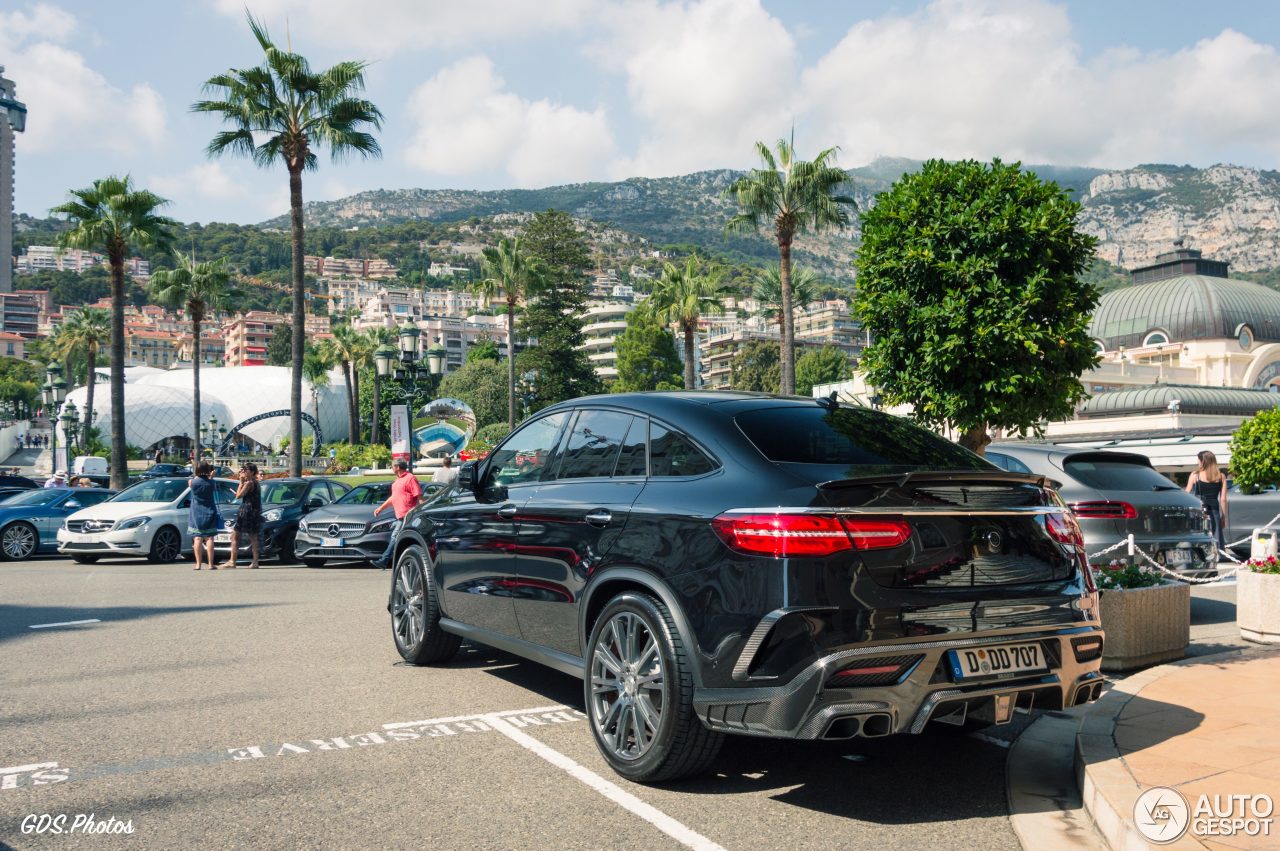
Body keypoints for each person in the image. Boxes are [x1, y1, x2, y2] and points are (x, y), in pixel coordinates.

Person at [371, 459, 422, 570]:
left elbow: (419, 496)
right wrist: (381, 508)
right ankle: (406, 563)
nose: (391, 468)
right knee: (400, 538)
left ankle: (384, 560)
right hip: (399, 516)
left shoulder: (410, 478)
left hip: (407, 516)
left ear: (398, 467)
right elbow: (393, 498)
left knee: (395, 537)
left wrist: (423, 512)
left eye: (392, 466)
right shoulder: (397, 481)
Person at [220, 463, 262, 569]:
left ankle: (232, 561)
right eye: (242, 469)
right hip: (253, 511)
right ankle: (255, 561)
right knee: (253, 536)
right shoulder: (256, 482)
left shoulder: (250, 483)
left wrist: (241, 482)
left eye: (246, 469)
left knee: (236, 536)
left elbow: (238, 495)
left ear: (252, 472)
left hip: (247, 511)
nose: (243, 471)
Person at [1186, 450, 1229, 549]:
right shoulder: (1221, 476)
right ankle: (1217, 552)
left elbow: (1187, 493)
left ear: (1203, 461)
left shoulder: (1195, 475)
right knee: (1215, 531)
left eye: (1198, 460)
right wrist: (1223, 517)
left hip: (1199, 509)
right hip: (1214, 509)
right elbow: (1223, 499)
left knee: (1200, 531)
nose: (1197, 463)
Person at [188, 462, 223, 571]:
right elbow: (212, 484)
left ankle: (198, 564)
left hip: (196, 512)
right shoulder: (211, 483)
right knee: (210, 538)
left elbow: (193, 481)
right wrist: (211, 476)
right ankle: (210, 564)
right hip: (209, 510)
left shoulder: (192, 482)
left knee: (197, 538)